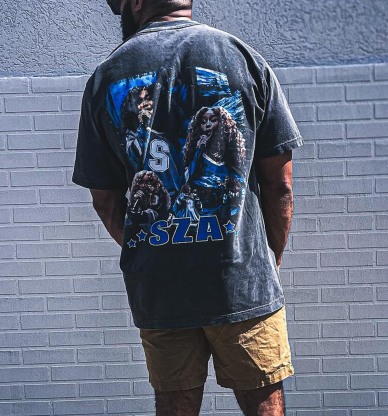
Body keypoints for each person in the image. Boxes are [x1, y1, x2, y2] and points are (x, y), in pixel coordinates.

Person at [71, 0, 304, 414]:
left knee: (175, 405)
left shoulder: (106, 77)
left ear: (137, 2)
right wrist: (267, 258)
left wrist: (154, 246)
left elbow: (105, 199)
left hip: (162, 289)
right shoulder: (243, 58)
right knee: (264, 405)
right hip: (241, 281)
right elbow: (279, 183)